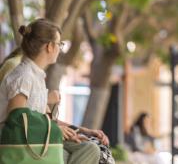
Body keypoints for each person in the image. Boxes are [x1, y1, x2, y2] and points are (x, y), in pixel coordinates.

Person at [0, 19, 106, 164]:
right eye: (59, 44)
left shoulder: (35, 76)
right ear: (49, 46)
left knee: (90, 147)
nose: (59, 48)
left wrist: (82, 131)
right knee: (88, 151)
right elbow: (16, 117)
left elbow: (46, 120)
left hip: (34, 140)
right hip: (21, 146)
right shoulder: (24, 76)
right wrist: (52, 129)